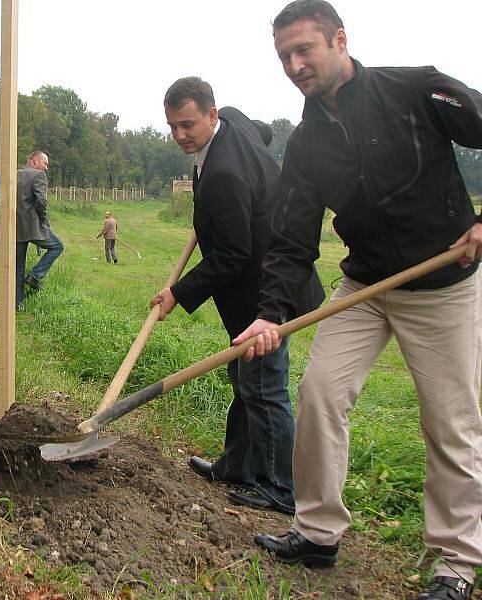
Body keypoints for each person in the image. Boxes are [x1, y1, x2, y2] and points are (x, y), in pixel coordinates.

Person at [231, 2, 482, 598]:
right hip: (364, 287)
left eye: (304, 50)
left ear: (339, 40)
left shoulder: (416, 89)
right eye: (284, 57)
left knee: (449, 424)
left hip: (444, 285)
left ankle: (455, 563)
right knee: (319, 396)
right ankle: (317, 532)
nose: (294, 65)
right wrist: (270, 312)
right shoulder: (308, 139)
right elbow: (292, 236)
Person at [152, 76, 323, 516]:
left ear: (212, 114)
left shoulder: (225, 174)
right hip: (259, 276)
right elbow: (261, 132)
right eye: (172, 126)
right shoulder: (234, 121)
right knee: (246, 380)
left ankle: (280, 485)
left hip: (266, 292)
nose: (180, 136)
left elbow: (230, 256)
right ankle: (238, 465)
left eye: (188, 125)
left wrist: (177, 292)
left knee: (264, 386)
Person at [15, 150, 64, 307]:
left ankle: (18, 303)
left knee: (18, 267)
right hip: (33, 226)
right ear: (34, 161)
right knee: (57, 246)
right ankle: (35, 276)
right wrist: (44, 220)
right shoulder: (38, 175)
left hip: (14, 227)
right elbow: (41, 201)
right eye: (45, 163)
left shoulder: (13, 174)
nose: (47, 168)